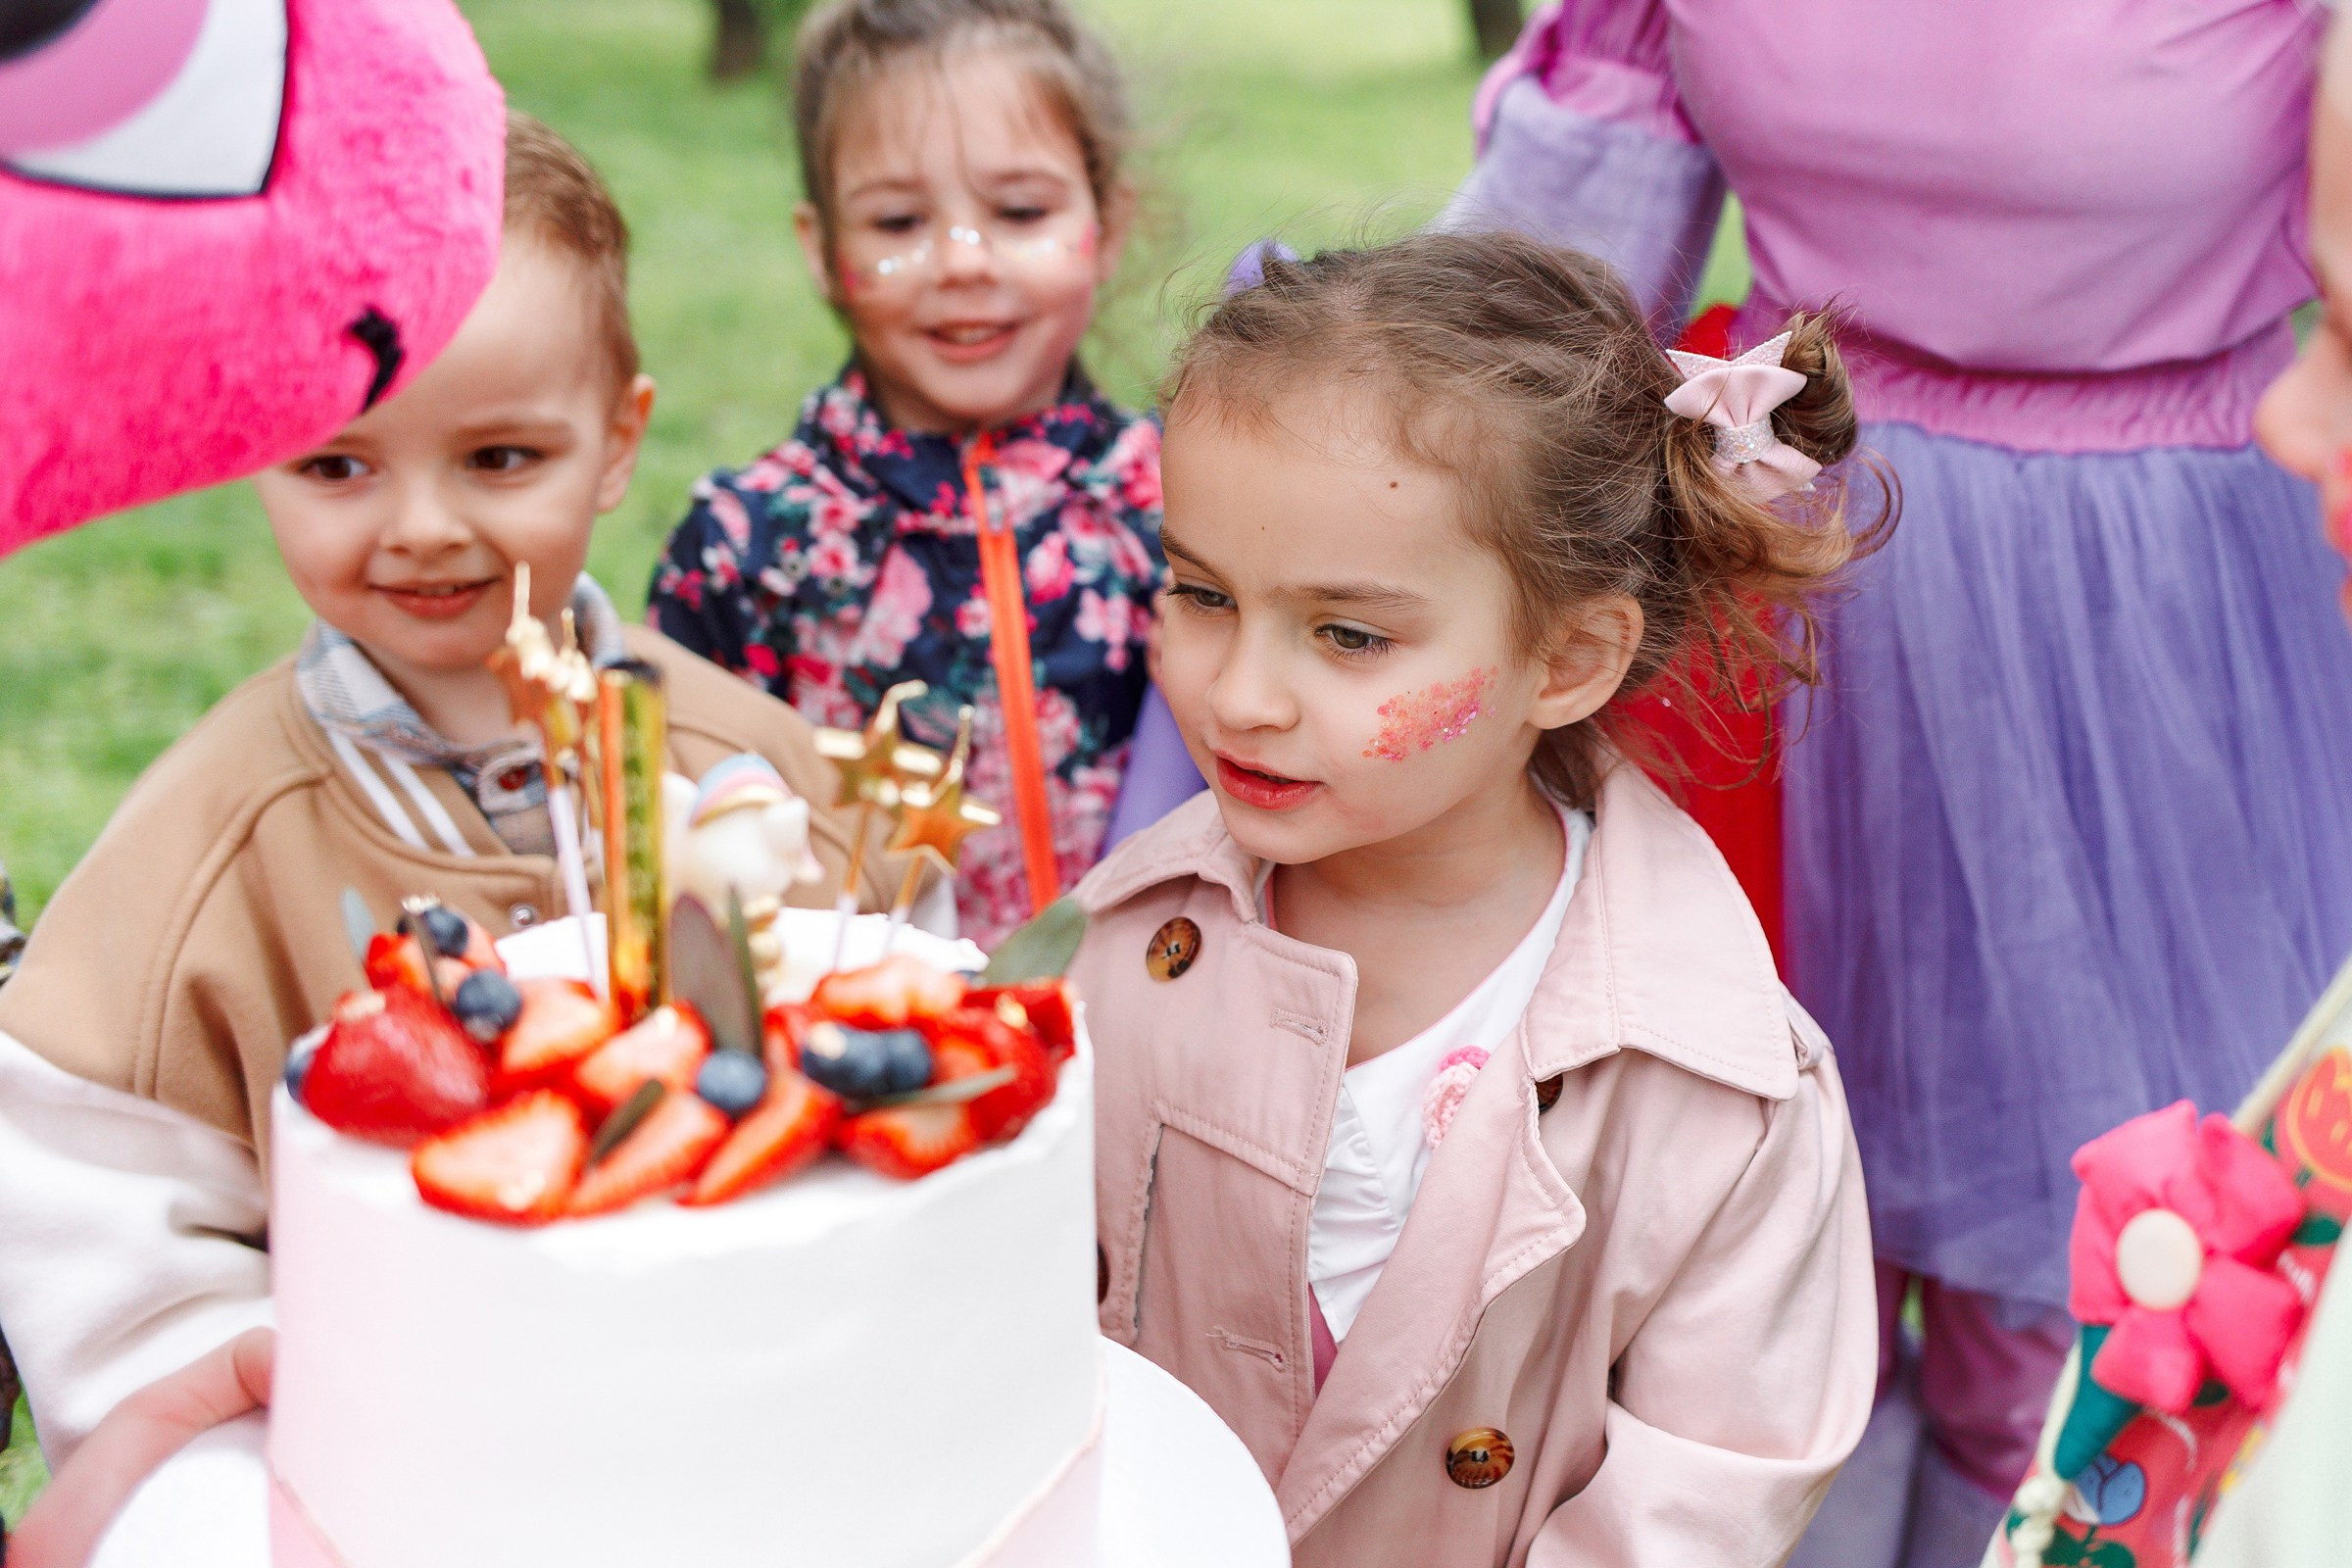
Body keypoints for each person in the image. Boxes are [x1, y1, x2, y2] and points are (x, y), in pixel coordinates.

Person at [1446, 7, 2352, 1560]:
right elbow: (1545, 296)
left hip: (2164, 630)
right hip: (1788, 594)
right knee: (1736, 1239)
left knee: (2106, 1268)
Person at [0, 113, 897, 1524]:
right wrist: (265, 1430)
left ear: (617, 444)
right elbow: (102, 1232)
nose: (421, 526)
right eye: (341, 466)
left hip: (748, 1475)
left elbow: (900, 1046)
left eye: (498, 458)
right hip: (385, 1498)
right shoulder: (209, 844)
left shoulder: (753, 760)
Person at [1070, 231, 1881, 1567]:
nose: (1240, 694)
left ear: (1567, 660)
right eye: (1202, 594)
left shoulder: (1721, 1099)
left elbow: (1706, 1503)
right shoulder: (1130, 951)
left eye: (1348, 634)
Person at [648, 0, 1164, 947]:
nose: (963, 262)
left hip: (1158, 1043)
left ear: (1110, 221)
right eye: (898, 219)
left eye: (1019, 211)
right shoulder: (748, 547)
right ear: (823, 249)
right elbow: (676, 855)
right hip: (869, 1057)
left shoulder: (1183, 502)